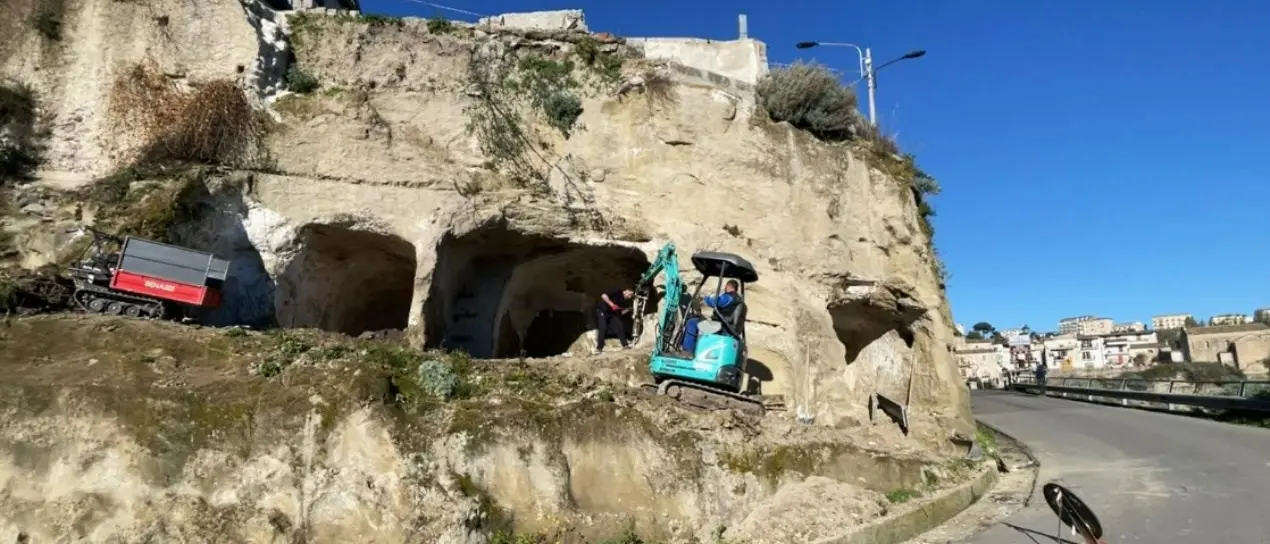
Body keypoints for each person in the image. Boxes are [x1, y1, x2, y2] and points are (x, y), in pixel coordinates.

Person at [594, 288, 635, 352]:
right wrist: (612, 304)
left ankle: (625, 345)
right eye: (630, 294)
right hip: (602, 310)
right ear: (627, 291)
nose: (629, 297)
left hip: (611, 313)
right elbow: (603, 295)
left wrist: (628, 310)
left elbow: (620, 313)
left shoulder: (623, 301)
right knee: (603, 328)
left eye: (631, 296)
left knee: (619, 326)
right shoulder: (618, 291)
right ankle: (599, 348)